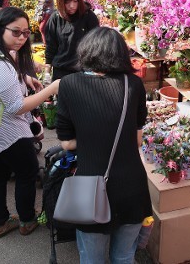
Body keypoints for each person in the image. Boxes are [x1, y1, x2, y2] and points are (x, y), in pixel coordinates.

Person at [56, 27, 151, 264]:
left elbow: (67, 143)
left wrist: (91, 138)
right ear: (121, 54)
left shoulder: (68, 84)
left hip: (90, 187)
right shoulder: (133, 85)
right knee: (124, 256)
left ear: (86, 51)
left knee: (92, 258)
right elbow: (137, 139)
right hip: (132, 187)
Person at [0, 7, 60, 238]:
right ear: (0, 28)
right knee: (27, 172)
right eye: (16, 32)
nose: (21, 38)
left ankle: (0, 223)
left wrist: (25, 78)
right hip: (9, 131)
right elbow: (17, 107)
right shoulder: (0, 64)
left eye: (26, 33)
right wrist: (51, 88)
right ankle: (27, 220)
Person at [45, 0, 99, 80]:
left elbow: (97, 44)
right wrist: (47, 72)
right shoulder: (55, 18)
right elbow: (51, 46)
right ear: (60, 1)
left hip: (83, 71)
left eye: (75, 1)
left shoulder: (88, 16)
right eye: (67, 2)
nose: (72, 6)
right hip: (61, 70)